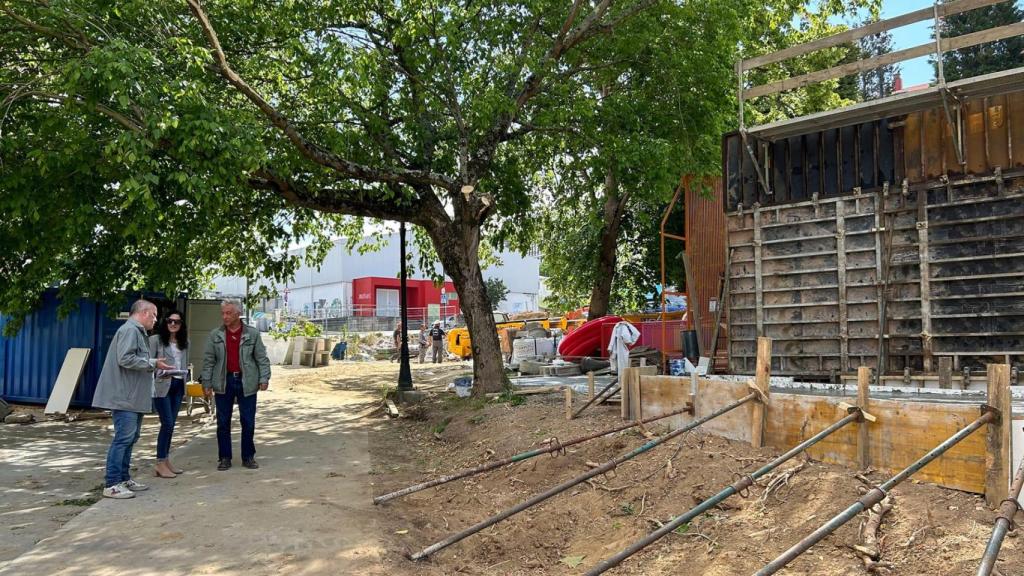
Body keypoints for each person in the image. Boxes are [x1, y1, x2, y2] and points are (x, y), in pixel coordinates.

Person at [93, 299, 172, 499]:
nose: (155, 320)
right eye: (154, 315)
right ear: (144, 313)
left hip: (132, 397)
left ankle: (123, 478)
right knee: (123, 438)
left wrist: (153, 362)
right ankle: (112, 483)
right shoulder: (130, 330)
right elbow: (125, 358)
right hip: (124, 397)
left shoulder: (136, 332)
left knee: (131, 438)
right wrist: (152, 363)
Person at [200, 299, 271, 471]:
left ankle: (248, 456)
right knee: (223, 421)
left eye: (228, 313)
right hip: (224, 381)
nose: (224, 316)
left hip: (247, 381)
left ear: (238, 314)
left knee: (248, 421)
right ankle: (224, 457)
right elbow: (209, 360)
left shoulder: (252, 334)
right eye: (223, 313)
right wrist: (207, 382)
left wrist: (264, 378)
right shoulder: (215, 335)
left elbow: (261, 358)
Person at [149, 311, 189, 479]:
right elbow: (147, 362)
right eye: (170, 321)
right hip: (162, 384)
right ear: (165, 322)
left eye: (177, 322)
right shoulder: (155, 340)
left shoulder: (185, 342)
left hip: (178, 384)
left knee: (171, 425)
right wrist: (159, 370)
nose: (173, 324)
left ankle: (165, 461)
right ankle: (159, 462)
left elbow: (184, 362)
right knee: (167, 423)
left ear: (181, 325)